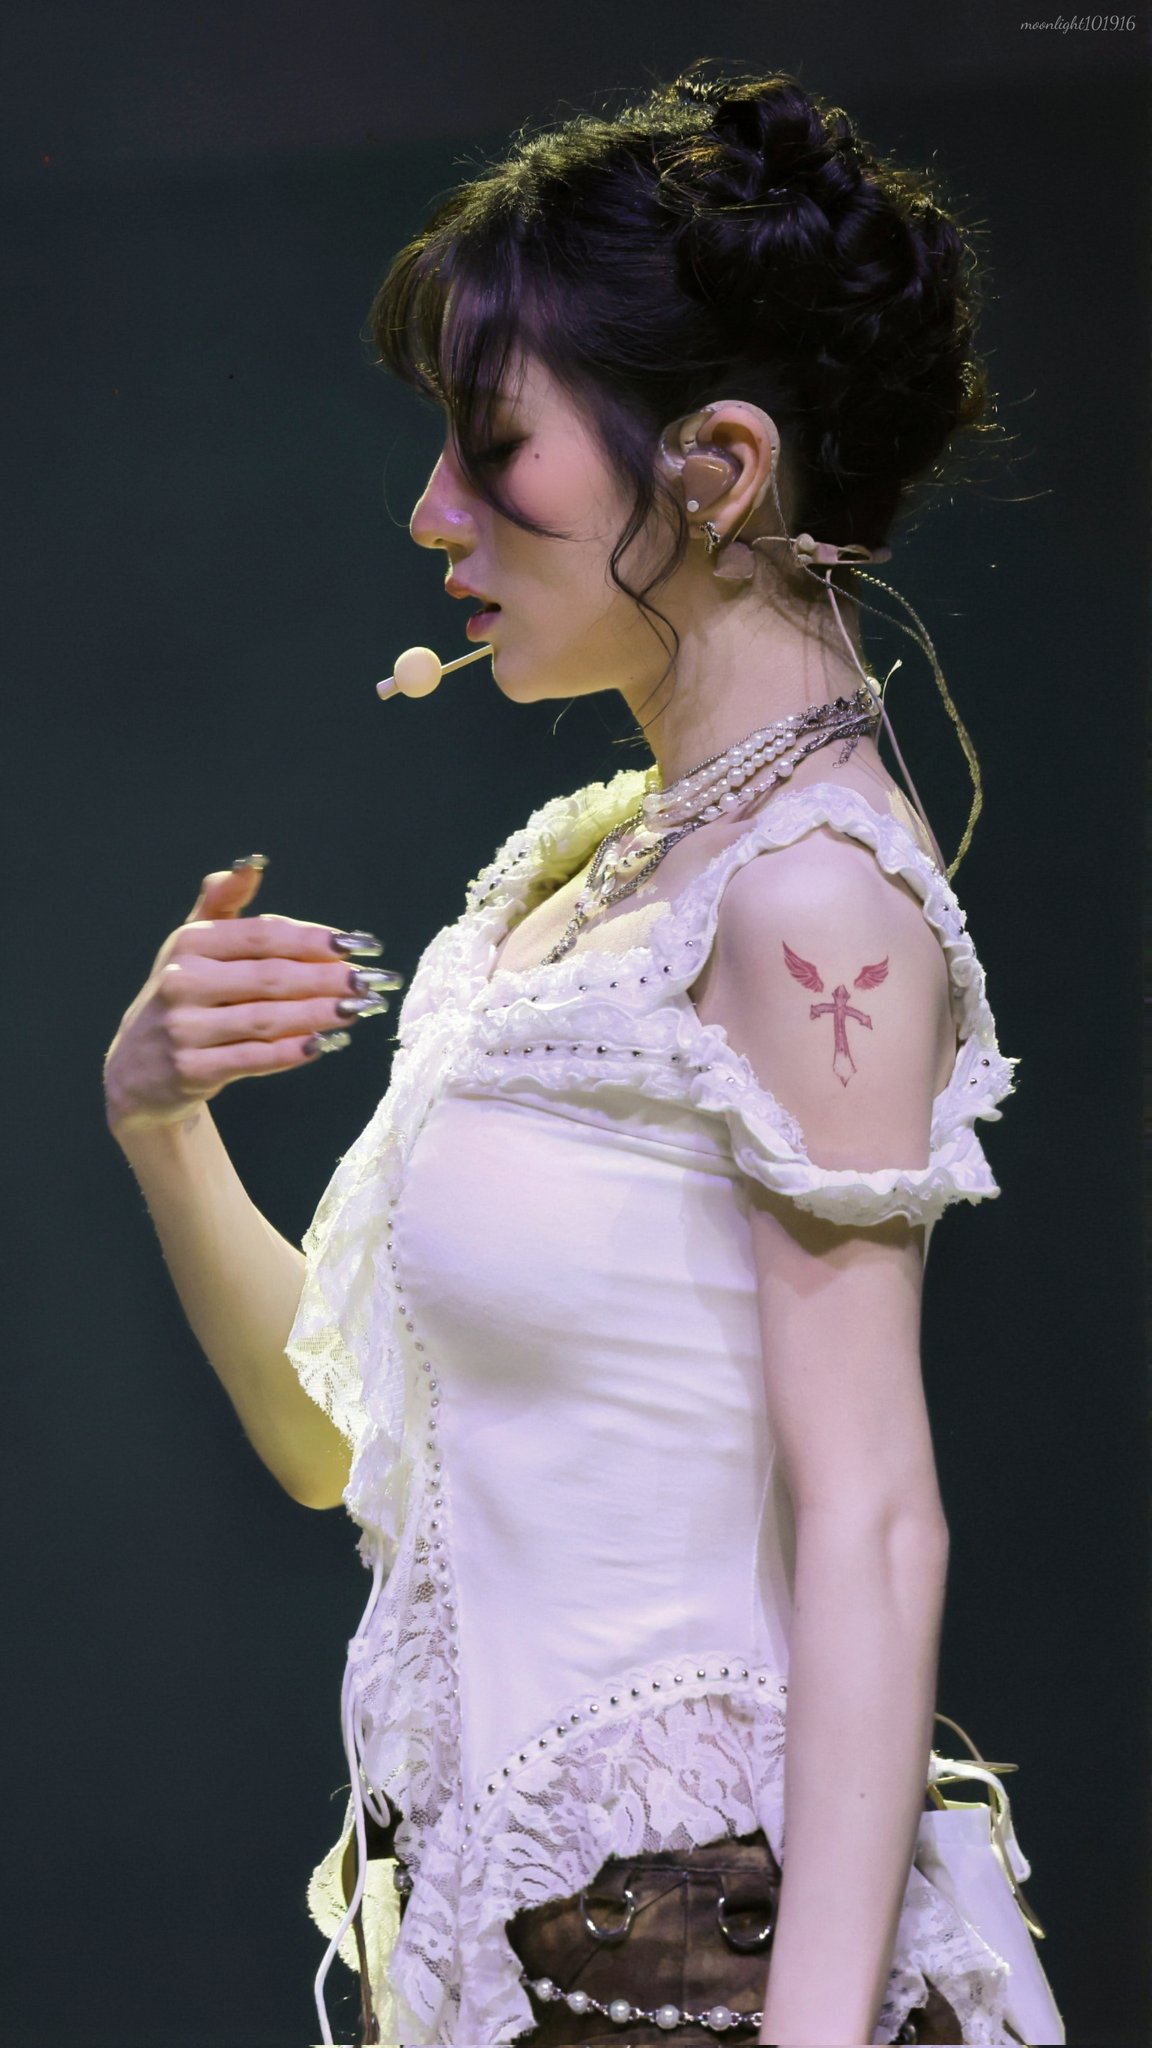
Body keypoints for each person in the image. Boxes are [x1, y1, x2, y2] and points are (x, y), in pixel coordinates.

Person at [103, 69, 1065, 2048]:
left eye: (492, 446)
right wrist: (163, 1124)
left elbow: (877, 1517)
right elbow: (341, 1449)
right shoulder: (583, 875)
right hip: (513, 1949)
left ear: (716, 467)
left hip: (699, 1955)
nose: (431, 510)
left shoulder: (808, 897)